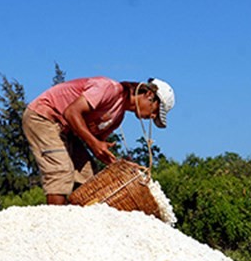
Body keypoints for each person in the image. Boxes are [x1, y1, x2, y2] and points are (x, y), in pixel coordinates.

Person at [22, 76, 175, 205]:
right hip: (45, 116)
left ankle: (77, 222)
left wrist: (121, 166)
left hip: (68, 131)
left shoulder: (117, 118)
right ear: (149, 94)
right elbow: (71, 112)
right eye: (156, 110)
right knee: (61, 170)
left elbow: (97, 148)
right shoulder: (109, 88)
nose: (153, 116)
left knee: (88, 175)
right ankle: (55, 225)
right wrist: (95, 144)